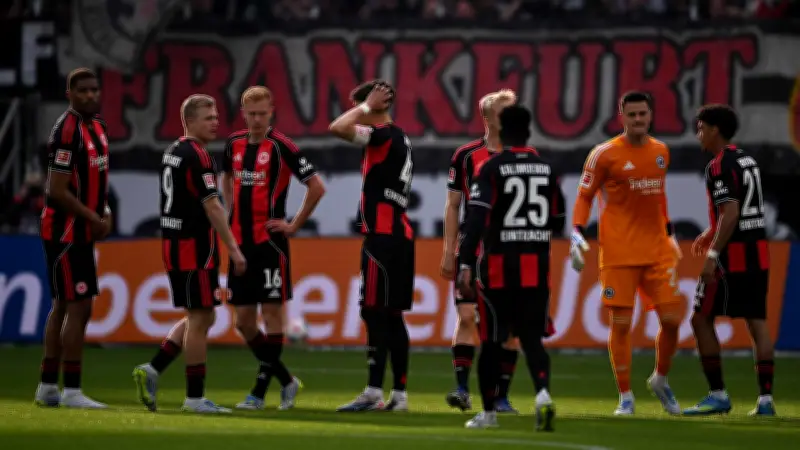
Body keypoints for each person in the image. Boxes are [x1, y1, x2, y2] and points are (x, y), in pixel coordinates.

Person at [569, 91, 684, 416]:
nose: (637, 120)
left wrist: (670, 233)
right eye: (631, 115)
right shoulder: (603, 154)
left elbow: (659, 197)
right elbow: (584, 196)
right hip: (618, 253)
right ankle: (626, 396)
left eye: (642, 114)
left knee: (672, 319)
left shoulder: (661, 151)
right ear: (621, 117)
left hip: (657, 251)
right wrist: (577, 231)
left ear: (650, 115)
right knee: (621, 325)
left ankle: (660, 379)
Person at [132, 94, 246, 414]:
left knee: (204, 315)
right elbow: (213, 206)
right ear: (190, 121)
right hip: (193, 246)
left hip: (175, 243)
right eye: (208, 117)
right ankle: (194, 399)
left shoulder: (173, 151)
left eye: (216, 116)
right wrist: (234, 248)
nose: (215, 122)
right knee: (200, 317)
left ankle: (153, 369)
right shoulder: (198, 155)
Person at [457, 104, 563, 430]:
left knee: (491, 341)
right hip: (536, 267)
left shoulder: (491, 167)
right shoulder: (547, 169)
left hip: (499, 268)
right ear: (529, 131)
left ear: (501, 131)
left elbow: (475, 218)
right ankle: (542, 395)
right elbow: (558, 220)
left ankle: (489, 414)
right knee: (531, 339)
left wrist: (465, 262)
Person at [221, 86, 326, 411]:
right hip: (240, 243)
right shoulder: (233, 144)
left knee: (271, 315)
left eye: (262, 114)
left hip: (270, 244)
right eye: (251, 114)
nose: (256, 120)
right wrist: (229, 212)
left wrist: (293, 224)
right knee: (243, 322)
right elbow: (226, 178)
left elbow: (316, 187)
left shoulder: (283, 146)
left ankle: (258, 392)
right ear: (243, 113)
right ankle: (287, 381)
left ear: (271, 112)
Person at [683, 104, 776, 417]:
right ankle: (766, 400)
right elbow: (741, 210)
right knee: (757, 323)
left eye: (701, 128)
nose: (698, 134)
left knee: (700, 319)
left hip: (732, 257)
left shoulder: (719, 164)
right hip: (757, 252)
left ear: (715, 130)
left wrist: (712, 253)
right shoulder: (747, 159)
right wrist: (710, 231)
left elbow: (732, 212)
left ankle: (718, 394)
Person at [329, 80, 415, 412]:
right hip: (400, 235)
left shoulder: (380, 135)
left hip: (382, 235)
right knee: (392, 315)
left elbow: (337, 127)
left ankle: (373, 391)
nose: (357, 114)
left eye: (360, 107)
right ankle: (400, 395)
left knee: (374, 311)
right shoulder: (401, 137)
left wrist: (367, 106)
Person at [440, 89, 522, 413]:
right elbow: (453, 204)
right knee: (466, 316)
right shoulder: (465, 156)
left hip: (510, 250)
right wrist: (449, 250)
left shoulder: (523, 155)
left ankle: (501, 396)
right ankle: (462, 389)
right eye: (503, 111)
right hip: (472, 249)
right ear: (486, 117)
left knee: (510, 326)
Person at [35, 68, 112, 409]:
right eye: (83, 91)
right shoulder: (66, 130)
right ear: (70, 94)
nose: (90, 95)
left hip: (81, 231)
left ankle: (48, 386)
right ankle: (72, 390)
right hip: (64, 232)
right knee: (78, 306)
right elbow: (56, 189)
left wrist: (104, 210)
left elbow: (97, 180)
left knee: (65, 305)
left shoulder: (98, 127)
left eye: (94, 89)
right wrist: (92, 217)